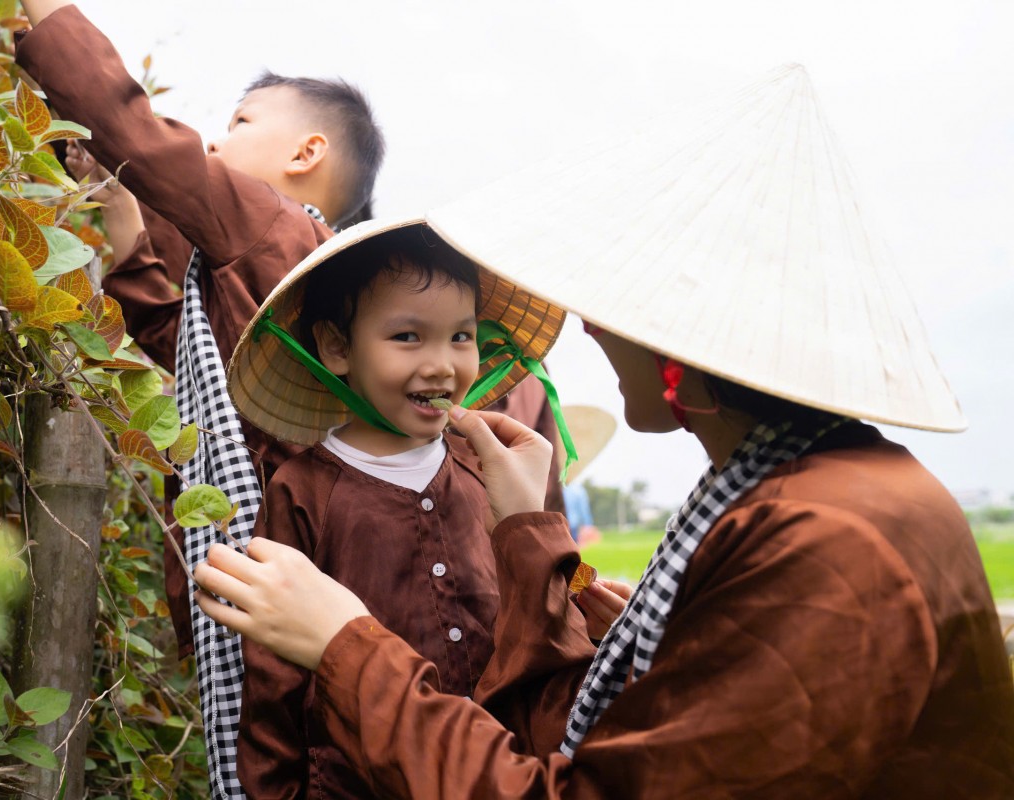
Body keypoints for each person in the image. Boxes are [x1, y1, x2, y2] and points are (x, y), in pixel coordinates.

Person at [194, 65, 1014, 797]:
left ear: (685, 347)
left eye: (620, 305)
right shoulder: (815, 489)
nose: (588, 328)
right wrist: (530, 538)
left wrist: (345, 643)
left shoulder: (826, 546)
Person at [15, 4, 384, 797]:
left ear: (305, 152)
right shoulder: (292, 270)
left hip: (281, 566)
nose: (216, 138)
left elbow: (145, 143)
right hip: (289, 566)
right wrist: (124, 232)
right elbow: (183, 338)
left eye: (240, 121)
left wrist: (45, 21)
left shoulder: (280, 232)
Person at [222, 217, 569, 797]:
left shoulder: (487, 474)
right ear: (337, 347)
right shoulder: (301, 491)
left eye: (461, 336)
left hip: (484, 772)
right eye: (407, 337)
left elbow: (543, 619)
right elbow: (272, 676)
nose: (442, 364)